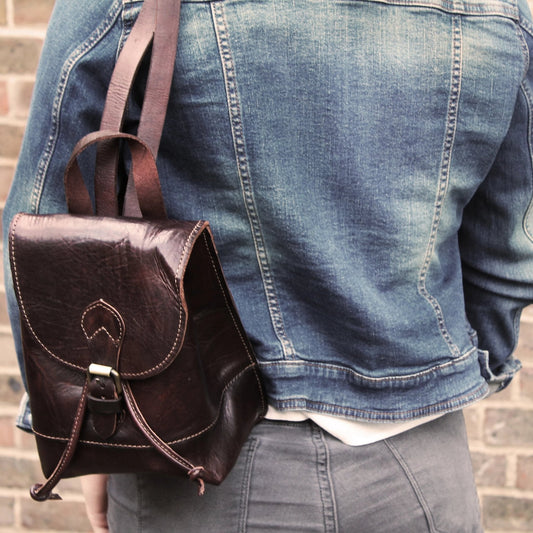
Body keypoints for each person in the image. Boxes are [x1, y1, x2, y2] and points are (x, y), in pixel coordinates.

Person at [4, 0, 533, 530]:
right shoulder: (499, 9)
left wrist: (100, 419)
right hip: (421, 471)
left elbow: (41, 239)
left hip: (196, 457)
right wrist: (435, 377)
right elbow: (509, 256)